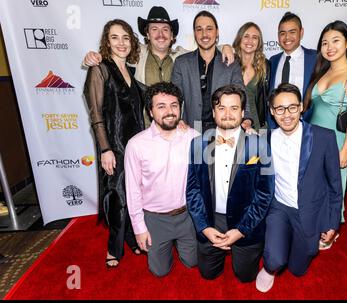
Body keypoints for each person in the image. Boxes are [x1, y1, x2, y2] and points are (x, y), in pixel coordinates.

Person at [83, 6, 234, 128]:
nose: (160, 34)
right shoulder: (135, 54)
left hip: (175, 130)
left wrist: (226, 47)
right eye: (154, 29)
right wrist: (93, 57)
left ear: (172, 35)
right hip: (144, 130)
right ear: (147, 34)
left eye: (165, 29)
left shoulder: (182, 57)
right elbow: (115, 53)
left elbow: (206, 47)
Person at [255, 83, 342, 293]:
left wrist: (332, 223)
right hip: (279, 207)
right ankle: (269, 268)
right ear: (272, 111)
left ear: (301, 107)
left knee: (298, 268)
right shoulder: (264, 139)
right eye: (280, 109)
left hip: (310, 210)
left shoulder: (324, 137)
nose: (287, 115)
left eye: (292, 107)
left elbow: (335, 185)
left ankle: (299, 243)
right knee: (275, 260)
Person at [186, 84, 274, 283]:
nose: (227, 114)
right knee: (208, 275)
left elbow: (265, 194)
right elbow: (192, 190)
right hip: (211, 218)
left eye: (234, 108)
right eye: (221, 108)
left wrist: (241, 230)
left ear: (243, 112)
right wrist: (205, 228)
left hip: (247, 220)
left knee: (245, 277)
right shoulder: (197, 144)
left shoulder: (260, 145)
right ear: (214, 111)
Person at [83, 19, 145, 268]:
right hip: (115, 147)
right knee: (118, 197)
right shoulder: (100, 70)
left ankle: (130, 237)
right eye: (115, 37)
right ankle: (113, 248)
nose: (121, 43)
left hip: (136, 148)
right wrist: (105, 149)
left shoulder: (130, 71)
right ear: (106, 42)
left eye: (126, 37)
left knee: (133, 196)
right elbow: (96, 114)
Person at [304, 20, 347, 249]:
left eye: (335, 41)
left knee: (334, 185)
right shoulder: (322, 71)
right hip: (312, 139)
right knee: (313, 184)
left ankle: (331, 229)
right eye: (324, 42)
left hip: (336, 141)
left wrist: (346, 148)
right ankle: (313, 220)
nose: (329, 46)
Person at [124, 82, 198, 277]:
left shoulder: (192, 137)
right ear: (150, 111)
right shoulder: (136, 145)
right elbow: (132, 191)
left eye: (174, 105)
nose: (169, 111)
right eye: (161, 106)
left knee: (192, 263)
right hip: (155, 219)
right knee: (159, 272)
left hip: (187, 216)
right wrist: (139, 228)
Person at [171, 11, 252, 134]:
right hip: (189, 130)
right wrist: (177, 119)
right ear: (194, 33)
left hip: (223, 129)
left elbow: (241, 92)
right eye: (199, 29)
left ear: (217, 32)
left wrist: (246, 118)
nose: (204, 34)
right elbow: (174, 97)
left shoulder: (231, 62)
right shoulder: (181, 63)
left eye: (209, 29)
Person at [267, 12, 317, 129]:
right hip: (275, 128)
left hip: (306, 128)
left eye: (292, 32)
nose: (287, 37)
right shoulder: (272, 61)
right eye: (282, 33)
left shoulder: (315, 58)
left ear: (301, 32)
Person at [232, 22, 271, 130]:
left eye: (255, 37)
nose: (250, 41)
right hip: (232, 126)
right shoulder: (229, 64)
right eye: (246, 36)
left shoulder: (266, 67)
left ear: (259, 43)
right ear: (239, 39)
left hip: (258, 127)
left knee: (258, 147)